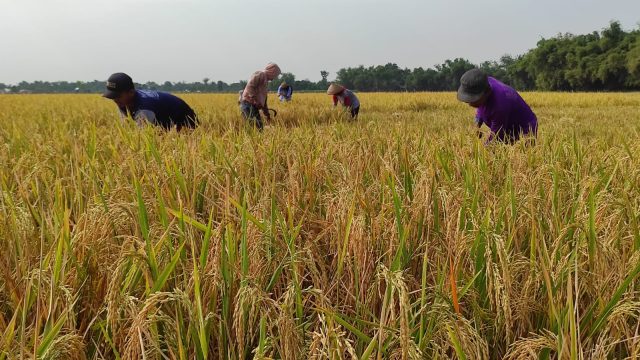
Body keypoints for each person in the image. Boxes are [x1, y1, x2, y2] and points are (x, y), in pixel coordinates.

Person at [457, 69, 537, 144]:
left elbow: (496, 138)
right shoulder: (483, 83)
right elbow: (480, 109)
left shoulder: (500, 105)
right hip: (506, 127)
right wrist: (477, 125)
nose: (470, 104)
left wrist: (480, 153)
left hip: (525, 129)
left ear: (487, 93)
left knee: (517, 155)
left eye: (474, 100)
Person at [103, 72, 198, 131]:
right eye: (112, 97)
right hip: (161, 121)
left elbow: (142, 136)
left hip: (184, 120)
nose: (115, 100)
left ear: (131, 92)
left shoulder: (144, 107)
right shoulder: (123, 102)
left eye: (118, 96)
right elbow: (127, 129)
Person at [239, 63, 281, 130]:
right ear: (272, 72)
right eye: (276, 75)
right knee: (254, 127)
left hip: (253, 106)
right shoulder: (260, 74)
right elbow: (250, 86)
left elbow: (264, 100)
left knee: (259, 127)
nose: (275, 78)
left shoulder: (265, 82)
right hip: (248, 104)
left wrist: (266, 113)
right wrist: (254, 99)